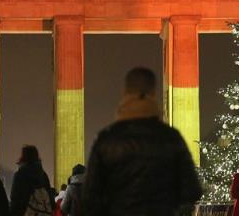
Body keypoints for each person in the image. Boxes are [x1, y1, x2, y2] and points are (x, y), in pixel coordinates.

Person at [82, 67, 203, 216]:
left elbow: (89, 197)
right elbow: (192, 191)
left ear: (125, 93)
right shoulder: (171, 137)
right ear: (153, 93)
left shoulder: (106, 139)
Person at [9, 145, 55, 216]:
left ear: (23, 157)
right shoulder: (43, 175)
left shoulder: (19, 175)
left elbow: (15, 199)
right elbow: (49, 196)